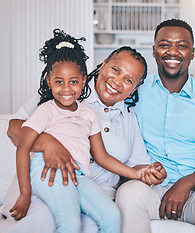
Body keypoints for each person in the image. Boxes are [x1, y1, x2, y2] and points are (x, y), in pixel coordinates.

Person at [1, 31, 166, 232]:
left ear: (134, 89)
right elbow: (14, 129)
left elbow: (128, 161)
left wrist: (147, 172)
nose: (117, 81)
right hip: (52, 177)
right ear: (103, 63)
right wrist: (47, 142)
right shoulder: (67, 87)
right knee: (48, 217)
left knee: (100, 222)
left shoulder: (128, 118)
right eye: (115, 70)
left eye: (128, 80)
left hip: (96, 191)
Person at [116, 19, 195, 233]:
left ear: (192, 53)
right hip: (149, 190)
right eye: (164, 45)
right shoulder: (133, 92)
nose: (173, 52)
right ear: (154, 51)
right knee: (128, 192)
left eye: (181, 45)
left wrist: (185, 183)